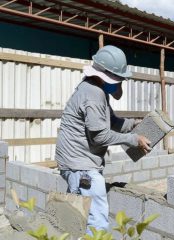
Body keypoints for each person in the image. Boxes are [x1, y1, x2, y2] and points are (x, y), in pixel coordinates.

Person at [55, 45, 151, 234]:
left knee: (77, 220)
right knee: (96, 223)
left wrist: (133, 124)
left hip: (75, 163)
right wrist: (133, 139)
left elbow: (111, 121)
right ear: (106, 75)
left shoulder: (94, 88)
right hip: (81, 167)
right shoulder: (94, 94)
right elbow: (100, 136)